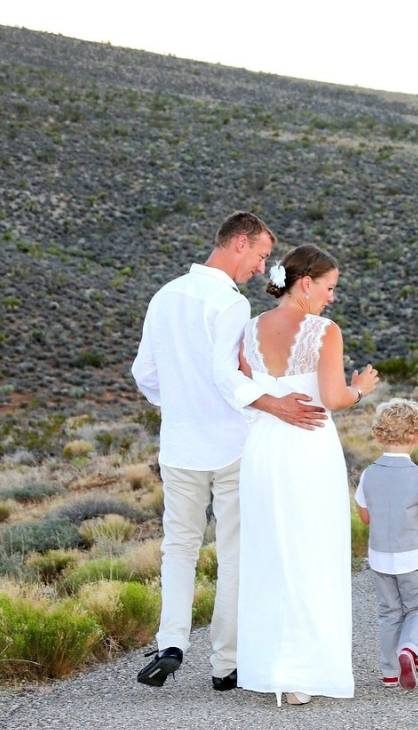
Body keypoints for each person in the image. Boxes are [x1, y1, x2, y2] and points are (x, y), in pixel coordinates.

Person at [132, 211, 326, 692]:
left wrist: (180, 405)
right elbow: (226, 376)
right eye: (261, 255)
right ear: (239, 243)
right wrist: (274, 405)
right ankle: (225, 665)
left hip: (178, 445)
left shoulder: (165, 295)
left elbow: (144, 374)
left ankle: (171, 643)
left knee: (178, 547)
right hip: (232, 444)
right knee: (234, 552)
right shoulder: (230, 304)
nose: (262, 268)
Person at [236, 243, 379, 707]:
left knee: (270, 552)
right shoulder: (324, 330)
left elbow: (245, 387)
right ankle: (304, 672)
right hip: (309, 449)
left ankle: (275, 668)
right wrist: (361, 389)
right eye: (329, 287)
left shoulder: (250, 328)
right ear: (305, 283)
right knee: (312, 550)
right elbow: (333, 398)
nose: (332, 297)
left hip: (262, 449)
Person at [354, 399, 418, 692]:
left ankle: (389, 673)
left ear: (378, 435)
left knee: (389, 612)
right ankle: (409, 649)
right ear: (417, 437)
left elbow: (365, 517)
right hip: (414, 557)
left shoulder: (368, 474)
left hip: (380, 558)